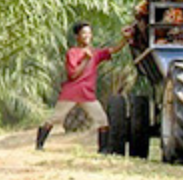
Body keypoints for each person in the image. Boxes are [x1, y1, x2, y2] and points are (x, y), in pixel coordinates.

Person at [36, 22, 131, 153]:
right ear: (77, 36)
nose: (87, 36)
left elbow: (114, 49)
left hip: (87, 94)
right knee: (55, 118)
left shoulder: (95, 53)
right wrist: (86, 60)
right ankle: (39, 145)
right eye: (84, 33)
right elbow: (73, 74)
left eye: (89, 33)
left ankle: (102, 150)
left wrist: (125, 39)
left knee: (102, 120)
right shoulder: (73, 53)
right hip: (72, 93)